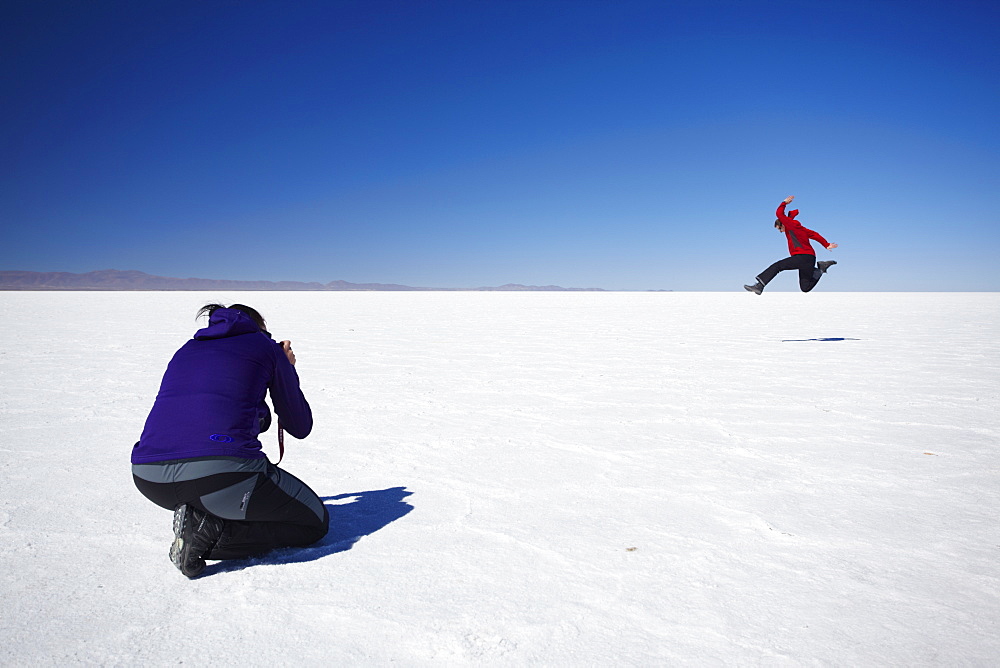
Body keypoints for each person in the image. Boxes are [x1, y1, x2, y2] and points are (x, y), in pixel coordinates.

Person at [131, 303, 328, 578]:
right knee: (314, 523)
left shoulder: (186, 349)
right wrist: (286, 366)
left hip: (149, 478)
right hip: (220, 476)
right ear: (259, 328)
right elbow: (300, 425)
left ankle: (201, 522)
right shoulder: (264, 346)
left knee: (219, 492)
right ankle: (207, 533)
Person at [744, 195, 838, 294]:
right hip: (809, 259)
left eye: (779, 229)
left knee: (778, 266)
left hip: (803, 256)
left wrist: (784, 203)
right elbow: (814, 234)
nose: (781, 231)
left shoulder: (791, 225)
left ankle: (760, 285)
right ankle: (820, 269)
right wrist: (826, 244)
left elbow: (779, 214)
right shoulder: (799, 229)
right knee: (805, 287)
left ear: (783, 224)